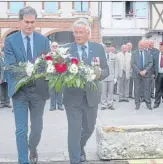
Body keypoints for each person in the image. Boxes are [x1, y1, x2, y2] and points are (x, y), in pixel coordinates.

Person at [4, 6, 50, 164]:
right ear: (19, 22)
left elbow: (47, 64)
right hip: (19, 91)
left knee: (37, 129)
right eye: (26, 22)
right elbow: (10, 66)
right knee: (21, 130)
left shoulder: (43, 40)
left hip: (39, 91)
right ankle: (23, 160)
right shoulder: (10, 40)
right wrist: (29, 70)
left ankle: (32, 147)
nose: (29, 25)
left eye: (32, 22)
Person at [63, 18, 109, 164]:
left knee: (89, 128)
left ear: (88, 33)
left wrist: (99, 74)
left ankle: (80, 146)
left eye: (81, 32)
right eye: (75, 32)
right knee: (74, 131)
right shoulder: (66, 50)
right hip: (72, 98)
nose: (78, 35)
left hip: (92, 97)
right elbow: (59, 72)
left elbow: (106, 69)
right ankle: (75, 159)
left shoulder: (98, 48)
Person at [131, 40, 153, 110]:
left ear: (145, 45)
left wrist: (145, 70)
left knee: (147, 89)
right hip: (136, 74)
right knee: (137, 89)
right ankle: (137, 103)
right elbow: (132, 63)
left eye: (143, 45)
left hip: (146, 74)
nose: (141, 46)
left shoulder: (148, 53)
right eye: (140, 45)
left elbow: (150, 63)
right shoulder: (134, 53)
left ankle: (148, 103)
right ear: (138, 45)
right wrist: (139, 71)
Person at [100, 43, 116, 110]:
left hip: (111, 76)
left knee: (110, 91)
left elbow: (116, 67)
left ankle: (110, 104)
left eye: (109, 47)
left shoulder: (114, 56)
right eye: (106, 47)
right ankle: (103, 104)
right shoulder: (101, 56)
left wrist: (115, 77)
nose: (107, 48)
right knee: (103, 91)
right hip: (103, 76)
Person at [49, 42, 64, 111]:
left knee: (60, 91)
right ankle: (52, 106)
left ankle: (60, 105)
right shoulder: (48, 55)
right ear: (51, 47)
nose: (54, 47)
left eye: (56, 46)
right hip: (51, 76)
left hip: (59, 75)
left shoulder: (61, 55)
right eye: (53, 46)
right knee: (52, 92)